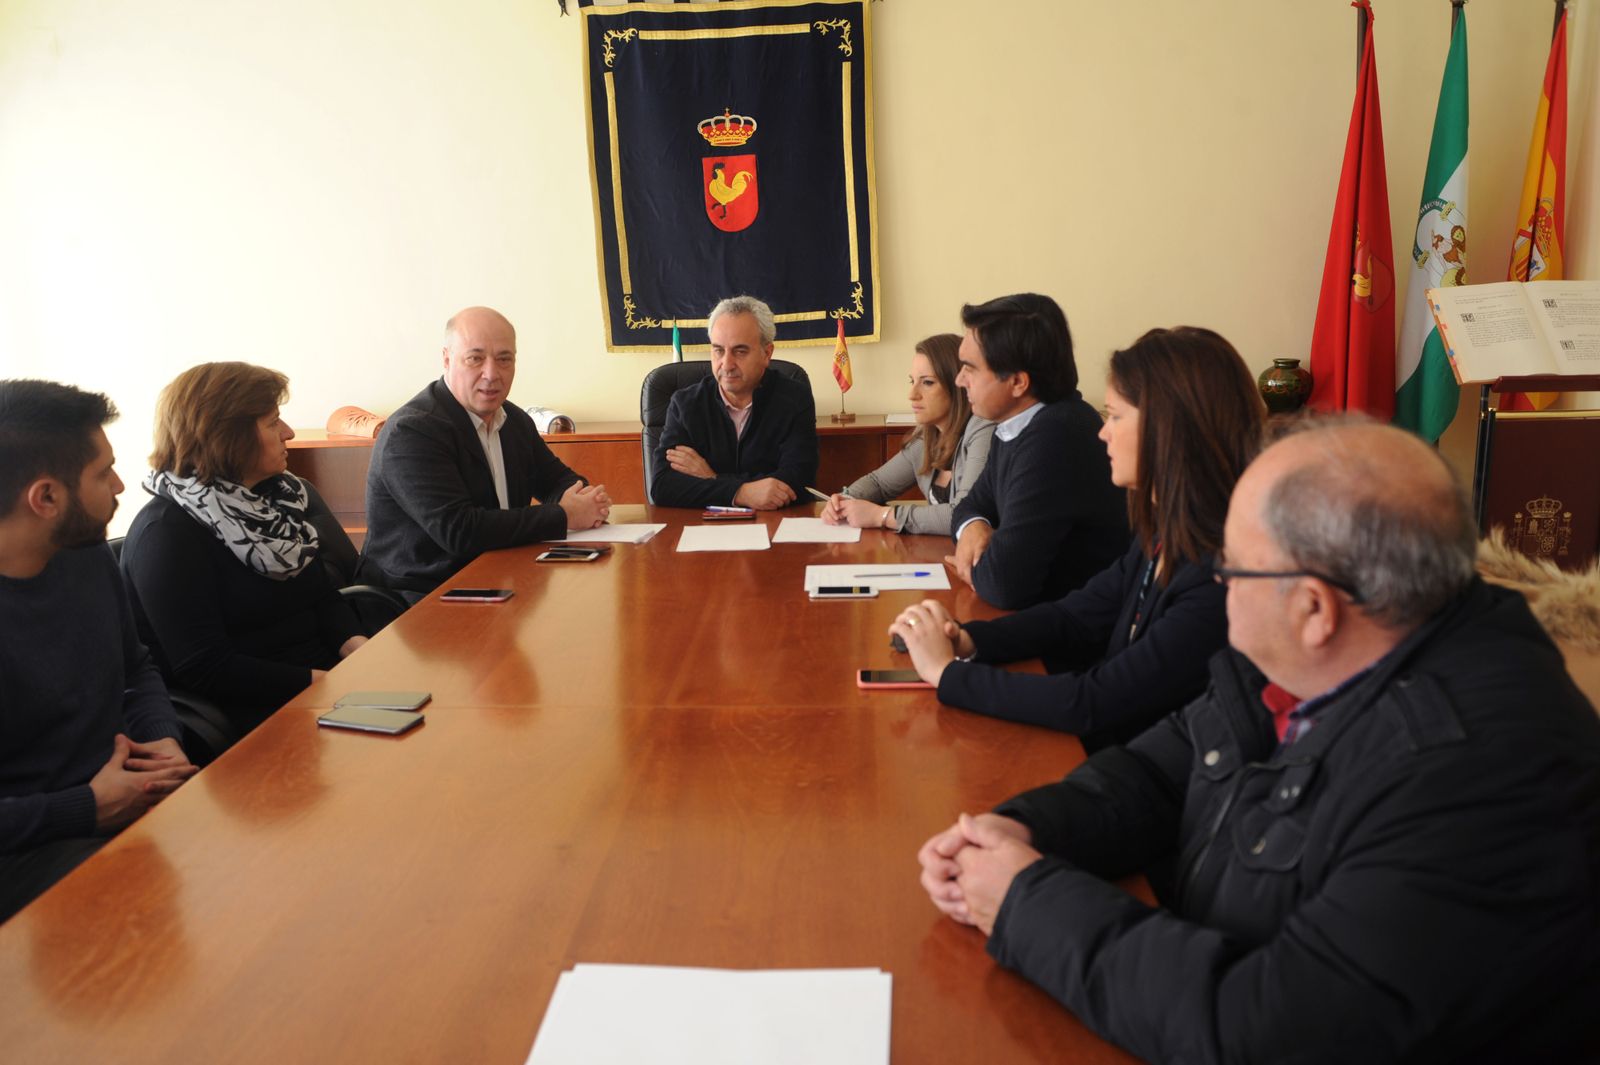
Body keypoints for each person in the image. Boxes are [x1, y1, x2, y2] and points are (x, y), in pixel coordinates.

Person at [917, 420, 1600, 1062]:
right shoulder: (1322, 654)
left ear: (1313, 607)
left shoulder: (1474, 778)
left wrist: (1025, 902)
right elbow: (1158, 770)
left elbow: (1265, 1027)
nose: (1217, 582)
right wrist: (1021, 828)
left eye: (1234, 567)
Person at [891, 327, 1262, 750]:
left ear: (1169, 430)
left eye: (1115, 417)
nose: (1103, 433)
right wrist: (967, 638)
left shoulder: (1220, 574)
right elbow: (1075, 617)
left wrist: (947, 674)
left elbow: (1095, 701)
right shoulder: (1163, 534)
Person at [0, 380, 197, 923]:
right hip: (32, 847)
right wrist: (85, 808)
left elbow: (136, 667)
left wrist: (161, 736)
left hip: (129, 796)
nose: (119, 485)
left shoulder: (81, 553)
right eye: (103, 472)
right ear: (46, 498)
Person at [120, 363, 369, 738]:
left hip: (325, 687)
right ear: (228, 437)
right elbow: (206, 667)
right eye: (273, 422)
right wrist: (330, 684)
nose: (288, 433)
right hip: (252, 712)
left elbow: (322, 596)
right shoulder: (166, 533)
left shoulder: (275, 502)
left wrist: (361, 653)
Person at [364, 306, 611, 597]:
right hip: (423, 593)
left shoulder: (513, 420)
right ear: (447, 359)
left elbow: (557, 480)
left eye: (504, 359)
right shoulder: (413, 431)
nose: (491, 374)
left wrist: (585, 500)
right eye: (475, 358)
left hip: (501, 575)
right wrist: (565, 515)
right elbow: (460, 532)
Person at [945, 294, 1128, 609]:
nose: (960, 380)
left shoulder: (1057, 435)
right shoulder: (1016, 425)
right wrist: (973, 526)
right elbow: (969, 506)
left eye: (969, 368)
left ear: (1017, 382)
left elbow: (1004, 584)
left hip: (1078, 629)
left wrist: (972, 567)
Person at [649, 295, 818, 509]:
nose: (727, 364)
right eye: (718, 350)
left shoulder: (795, 398)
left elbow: (798, 482)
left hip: (774, 523)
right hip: (703, 526)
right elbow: (663, 486)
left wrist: (713, 478)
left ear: (767, 353)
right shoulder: (685, 404)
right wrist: (742, 493)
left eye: (740, 351)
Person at [821, 334, 995, 535]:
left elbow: (965, 514)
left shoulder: (983, 428)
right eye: (912, 381)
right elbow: (878, 483)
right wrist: (844, 500)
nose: (912, 395)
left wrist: (883, 515)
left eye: (927, 382)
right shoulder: (927, 436)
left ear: (960, 384)